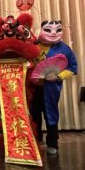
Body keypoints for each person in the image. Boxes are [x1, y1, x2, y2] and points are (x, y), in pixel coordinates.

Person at [31, 20, 77, 155]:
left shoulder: (64, 49)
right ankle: (36, 139)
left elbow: (73, 68)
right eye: (48, 29)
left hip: (51, 88)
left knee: (50, 114)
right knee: (33, 114)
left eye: (58, 30)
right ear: (41, 29)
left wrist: (58, 77)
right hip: (33, 87)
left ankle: (52, 143)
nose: (53, 33)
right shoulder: (32, 46)